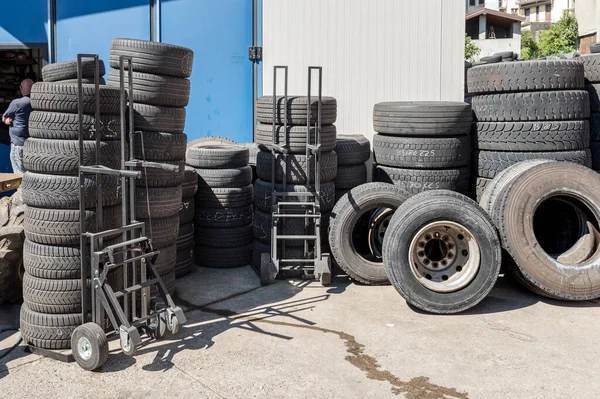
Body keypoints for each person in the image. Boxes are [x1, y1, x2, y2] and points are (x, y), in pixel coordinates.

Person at [2, 79, 33, 174]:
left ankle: (21, 189)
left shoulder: (17, 103)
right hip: (34, 144)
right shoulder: (39, 103)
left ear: (21, 88)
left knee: (19, 173)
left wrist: (6, 119)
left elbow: (4, 117)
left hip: (19, 144)